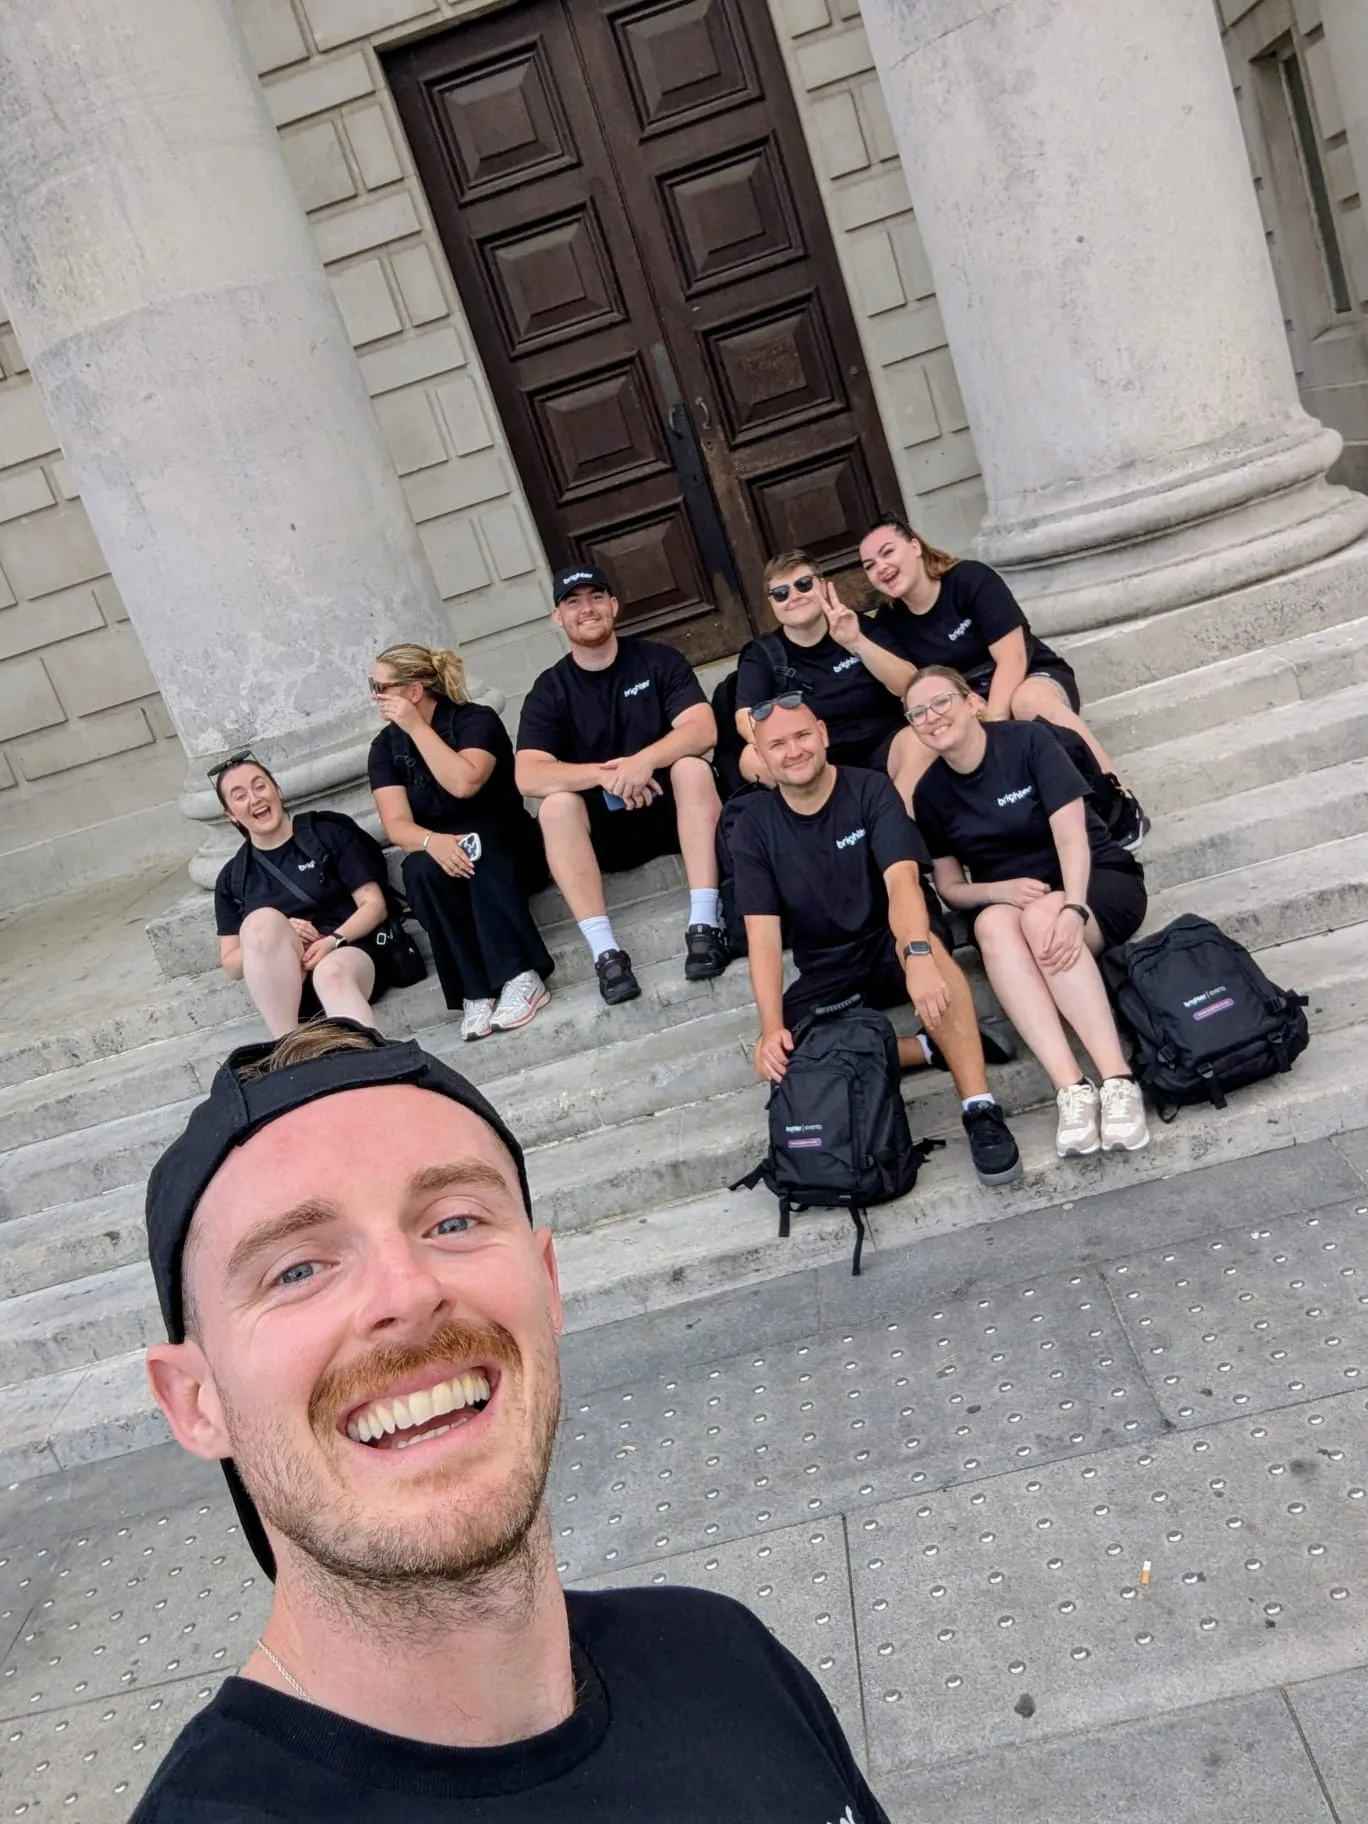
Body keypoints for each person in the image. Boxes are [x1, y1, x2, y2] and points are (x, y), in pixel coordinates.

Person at [133, 1018, 893, 1823]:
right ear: (195, 1401)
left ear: (547, 1283)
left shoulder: (724, 1654)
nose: (407, 1293)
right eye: (297, 1269)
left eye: (452, 1222)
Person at [729, 694, 1023, 1188]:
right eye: (777, 744)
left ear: (823, 733)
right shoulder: (753, 827)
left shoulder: (870, 790)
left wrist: (919, 954)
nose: (793, 751)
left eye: (802, 735)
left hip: (893, 938)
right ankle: (925, 1049)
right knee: (791, 1051)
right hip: (828, 965)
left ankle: (980, 1109)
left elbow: (903, 882)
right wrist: (769, 1026)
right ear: (760, 756)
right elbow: (763, 934)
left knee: (936, 964)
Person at [906, 667, 1151, 1158]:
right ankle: (1072, 1090)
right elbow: (953, 889)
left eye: (941, 702)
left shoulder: (1027, 742)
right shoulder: (929, 793)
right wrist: (999, 889)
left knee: (1042, 918)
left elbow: (1073, 837)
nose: (932, 718)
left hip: (1094, 880)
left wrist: (1075, 907)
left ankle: (1118, 1081)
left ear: (972, 701)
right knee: (991, 924)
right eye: (917, 713)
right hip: (1016, 902)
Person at [857, 512, 1149, 849]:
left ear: (914, 546)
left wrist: (991, 720)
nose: (881, 567)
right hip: (962, 700)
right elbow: (907, 685)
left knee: (1028, 702)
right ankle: (901, 857)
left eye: (887, 552)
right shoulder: (891, 622)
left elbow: (1013, 658)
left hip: (1027, 675)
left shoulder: (969, 579)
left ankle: (1117, 800)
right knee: (918, 742)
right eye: (869, 565)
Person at [515, 564, 728, 1006]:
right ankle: (606, 953)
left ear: (613, 605)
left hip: (671, 812)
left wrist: (644, 761)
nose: (586, 609)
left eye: (595, 597)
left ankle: (705, 924)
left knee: (692, 767)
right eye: (573, 602)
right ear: (559, 617)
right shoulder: (550, 689)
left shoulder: (658, 660)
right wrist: (606, 774)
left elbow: (702, 729)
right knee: (554, 808)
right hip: (604, 833)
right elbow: (529, 773)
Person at [368, 642, 553, 1043]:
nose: (376, 697)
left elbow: (464, 783)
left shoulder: (475, 721)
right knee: (416, 869)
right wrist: (432, 841)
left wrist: (417, 728)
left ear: (414, 691)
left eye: (383, 687)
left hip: (508, 844)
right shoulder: (385, 748)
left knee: (476, 844)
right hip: (441, 850)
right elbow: (397, 825)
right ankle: (476, 992)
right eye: (374, 687)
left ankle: (520, 973)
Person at [211, 753, 388, 1039]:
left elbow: (374, 906)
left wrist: (333, 941)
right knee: (262, 922)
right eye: (240, 795)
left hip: (350, 955)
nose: (255, 799)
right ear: (230, 814)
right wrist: (281, 936)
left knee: (330, 973)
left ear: (276, 790)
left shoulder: (326, 834)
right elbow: (232, 963)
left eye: (260, 786)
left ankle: (372, 1066)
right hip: (289, 985)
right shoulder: (234, 877)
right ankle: (290, 1046)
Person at [733, 549, 913, 786]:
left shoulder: (859, 626)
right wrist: (788, 745)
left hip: (883, 743)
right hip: (813, 760)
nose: (794, 596)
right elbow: (745, 718)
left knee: (917, 740)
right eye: (781, 593)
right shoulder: (762, 654)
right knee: (751, 759)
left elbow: (909, 685)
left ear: (824, 586)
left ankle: (896, 820)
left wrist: (855, 642)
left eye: (804, 584)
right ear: (771, 603)